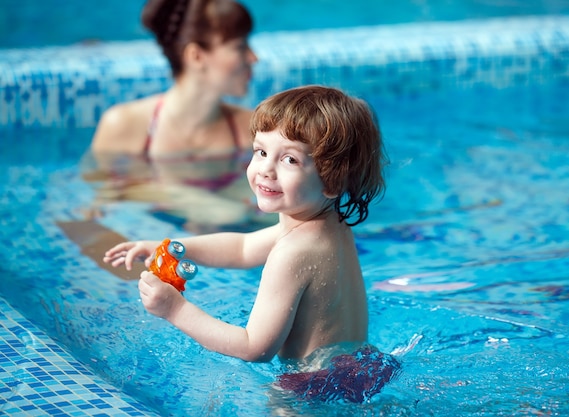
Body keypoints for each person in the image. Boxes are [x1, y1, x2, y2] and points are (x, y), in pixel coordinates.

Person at [103, 86, 399, 401]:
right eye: (260, 152)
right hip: (365, 370)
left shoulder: (293, 253)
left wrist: (174, 310)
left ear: (333, 180)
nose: (265, 170)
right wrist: (176, 247)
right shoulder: (328, 226)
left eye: (289, 159)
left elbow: (254, 347)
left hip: (312, 392)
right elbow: (243, 248)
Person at [91, 0, 257, 159]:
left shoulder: (253, 130)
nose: (254, 58)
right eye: (240, 47)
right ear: (196, 56)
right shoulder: (122, 126)